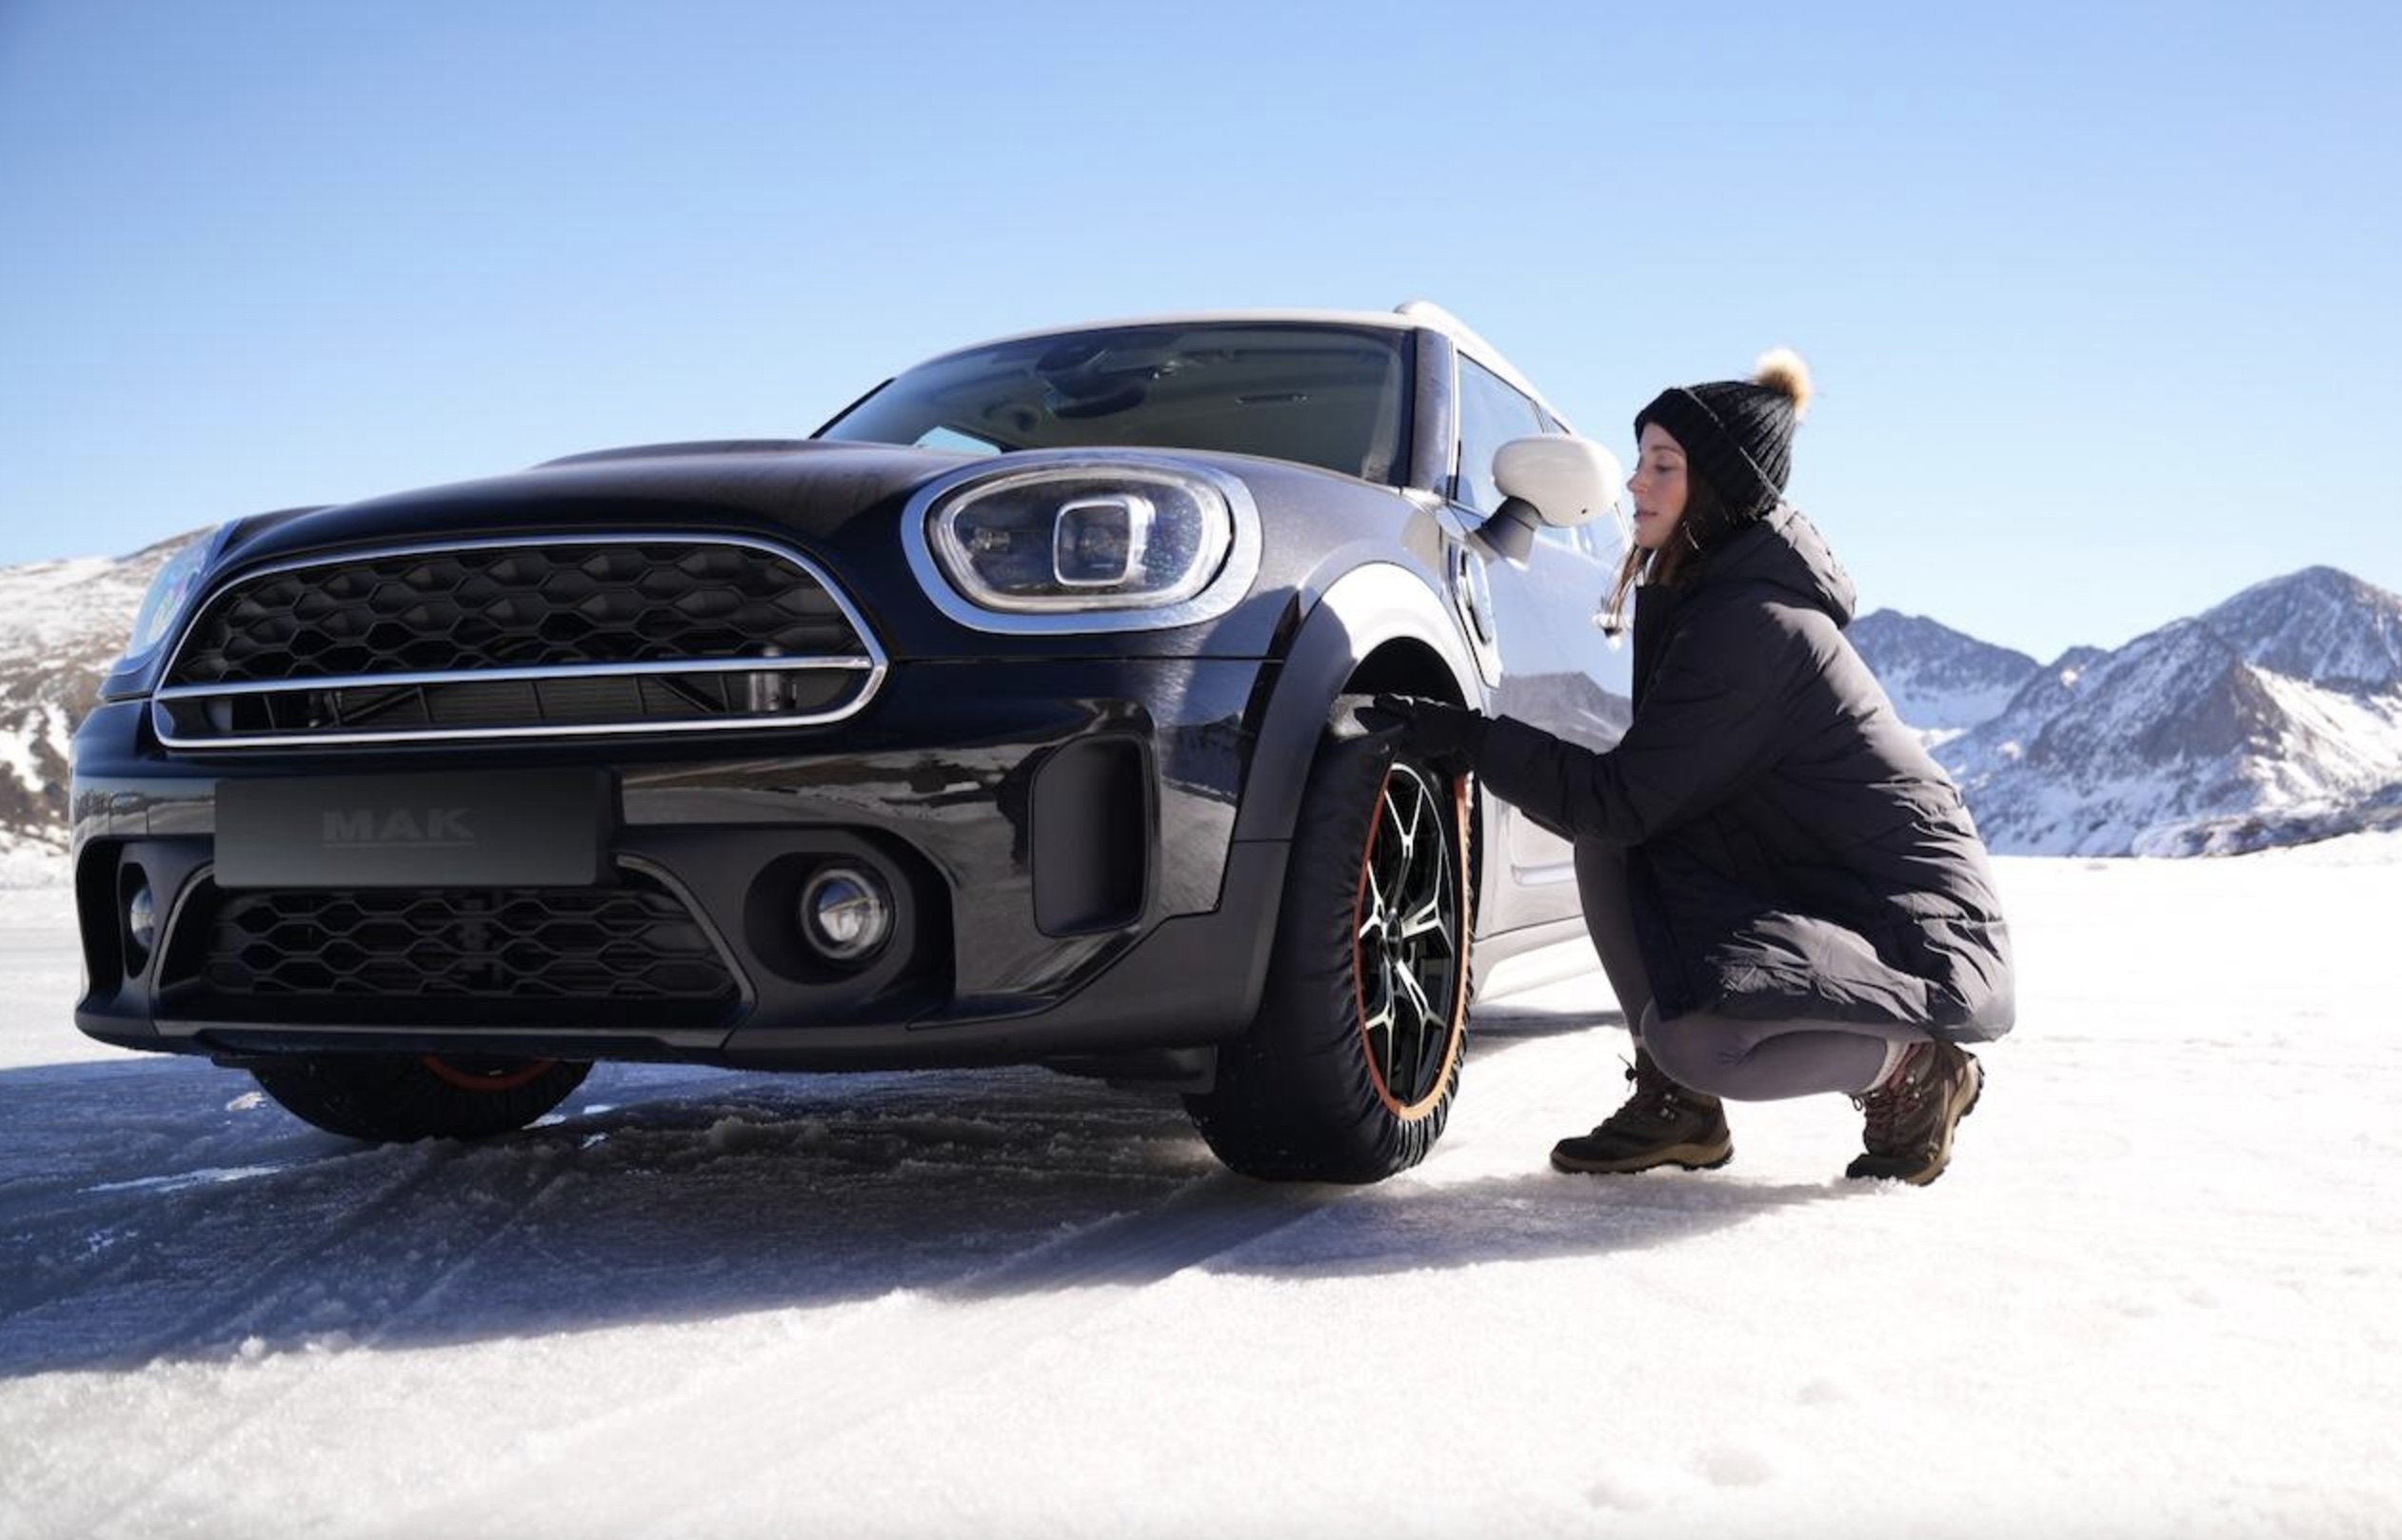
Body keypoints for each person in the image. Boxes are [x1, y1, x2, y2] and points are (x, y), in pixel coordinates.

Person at [1360, 349, 2013, 1186]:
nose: (1635, 484)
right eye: (1639, 462)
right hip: (1797, 867)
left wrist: (1470, 737)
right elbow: (1631, 808)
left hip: (1902, 919)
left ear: (1720, 489)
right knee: (1611, 841)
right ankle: (1679, 1108)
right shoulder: (1703, 601)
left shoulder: (1751, 627)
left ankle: (1916, 1070)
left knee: (1702, 1043)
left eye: (1663, 466)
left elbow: (1625, 799)